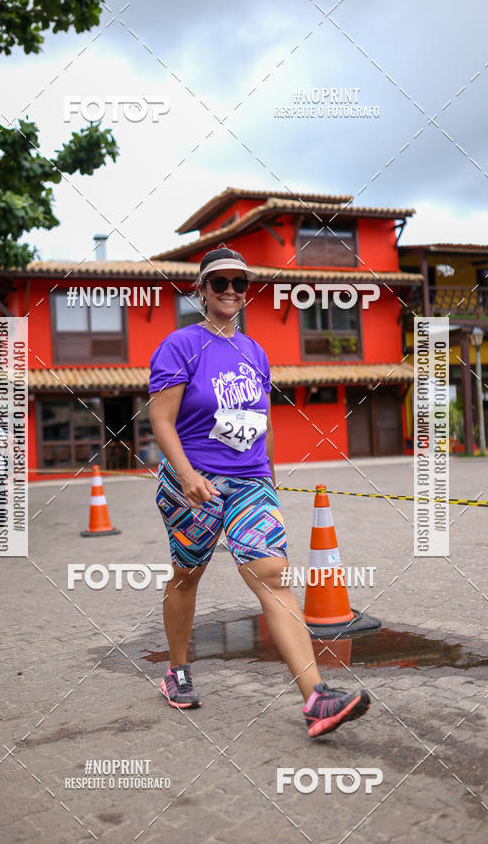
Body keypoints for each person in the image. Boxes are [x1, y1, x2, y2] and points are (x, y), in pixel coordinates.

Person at [148, 245, 371, 738]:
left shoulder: (255, 351)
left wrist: (268, 477)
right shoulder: (180, 345)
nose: (230, 291)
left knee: (273, 574)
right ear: (202, 289)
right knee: (187, 575)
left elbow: (259, 421)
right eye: (219, 282)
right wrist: (186, 475)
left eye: (239, 283)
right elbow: (160, 419)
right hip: (194, 483)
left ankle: (316, 698)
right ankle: (177, 669)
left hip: (250, 481)